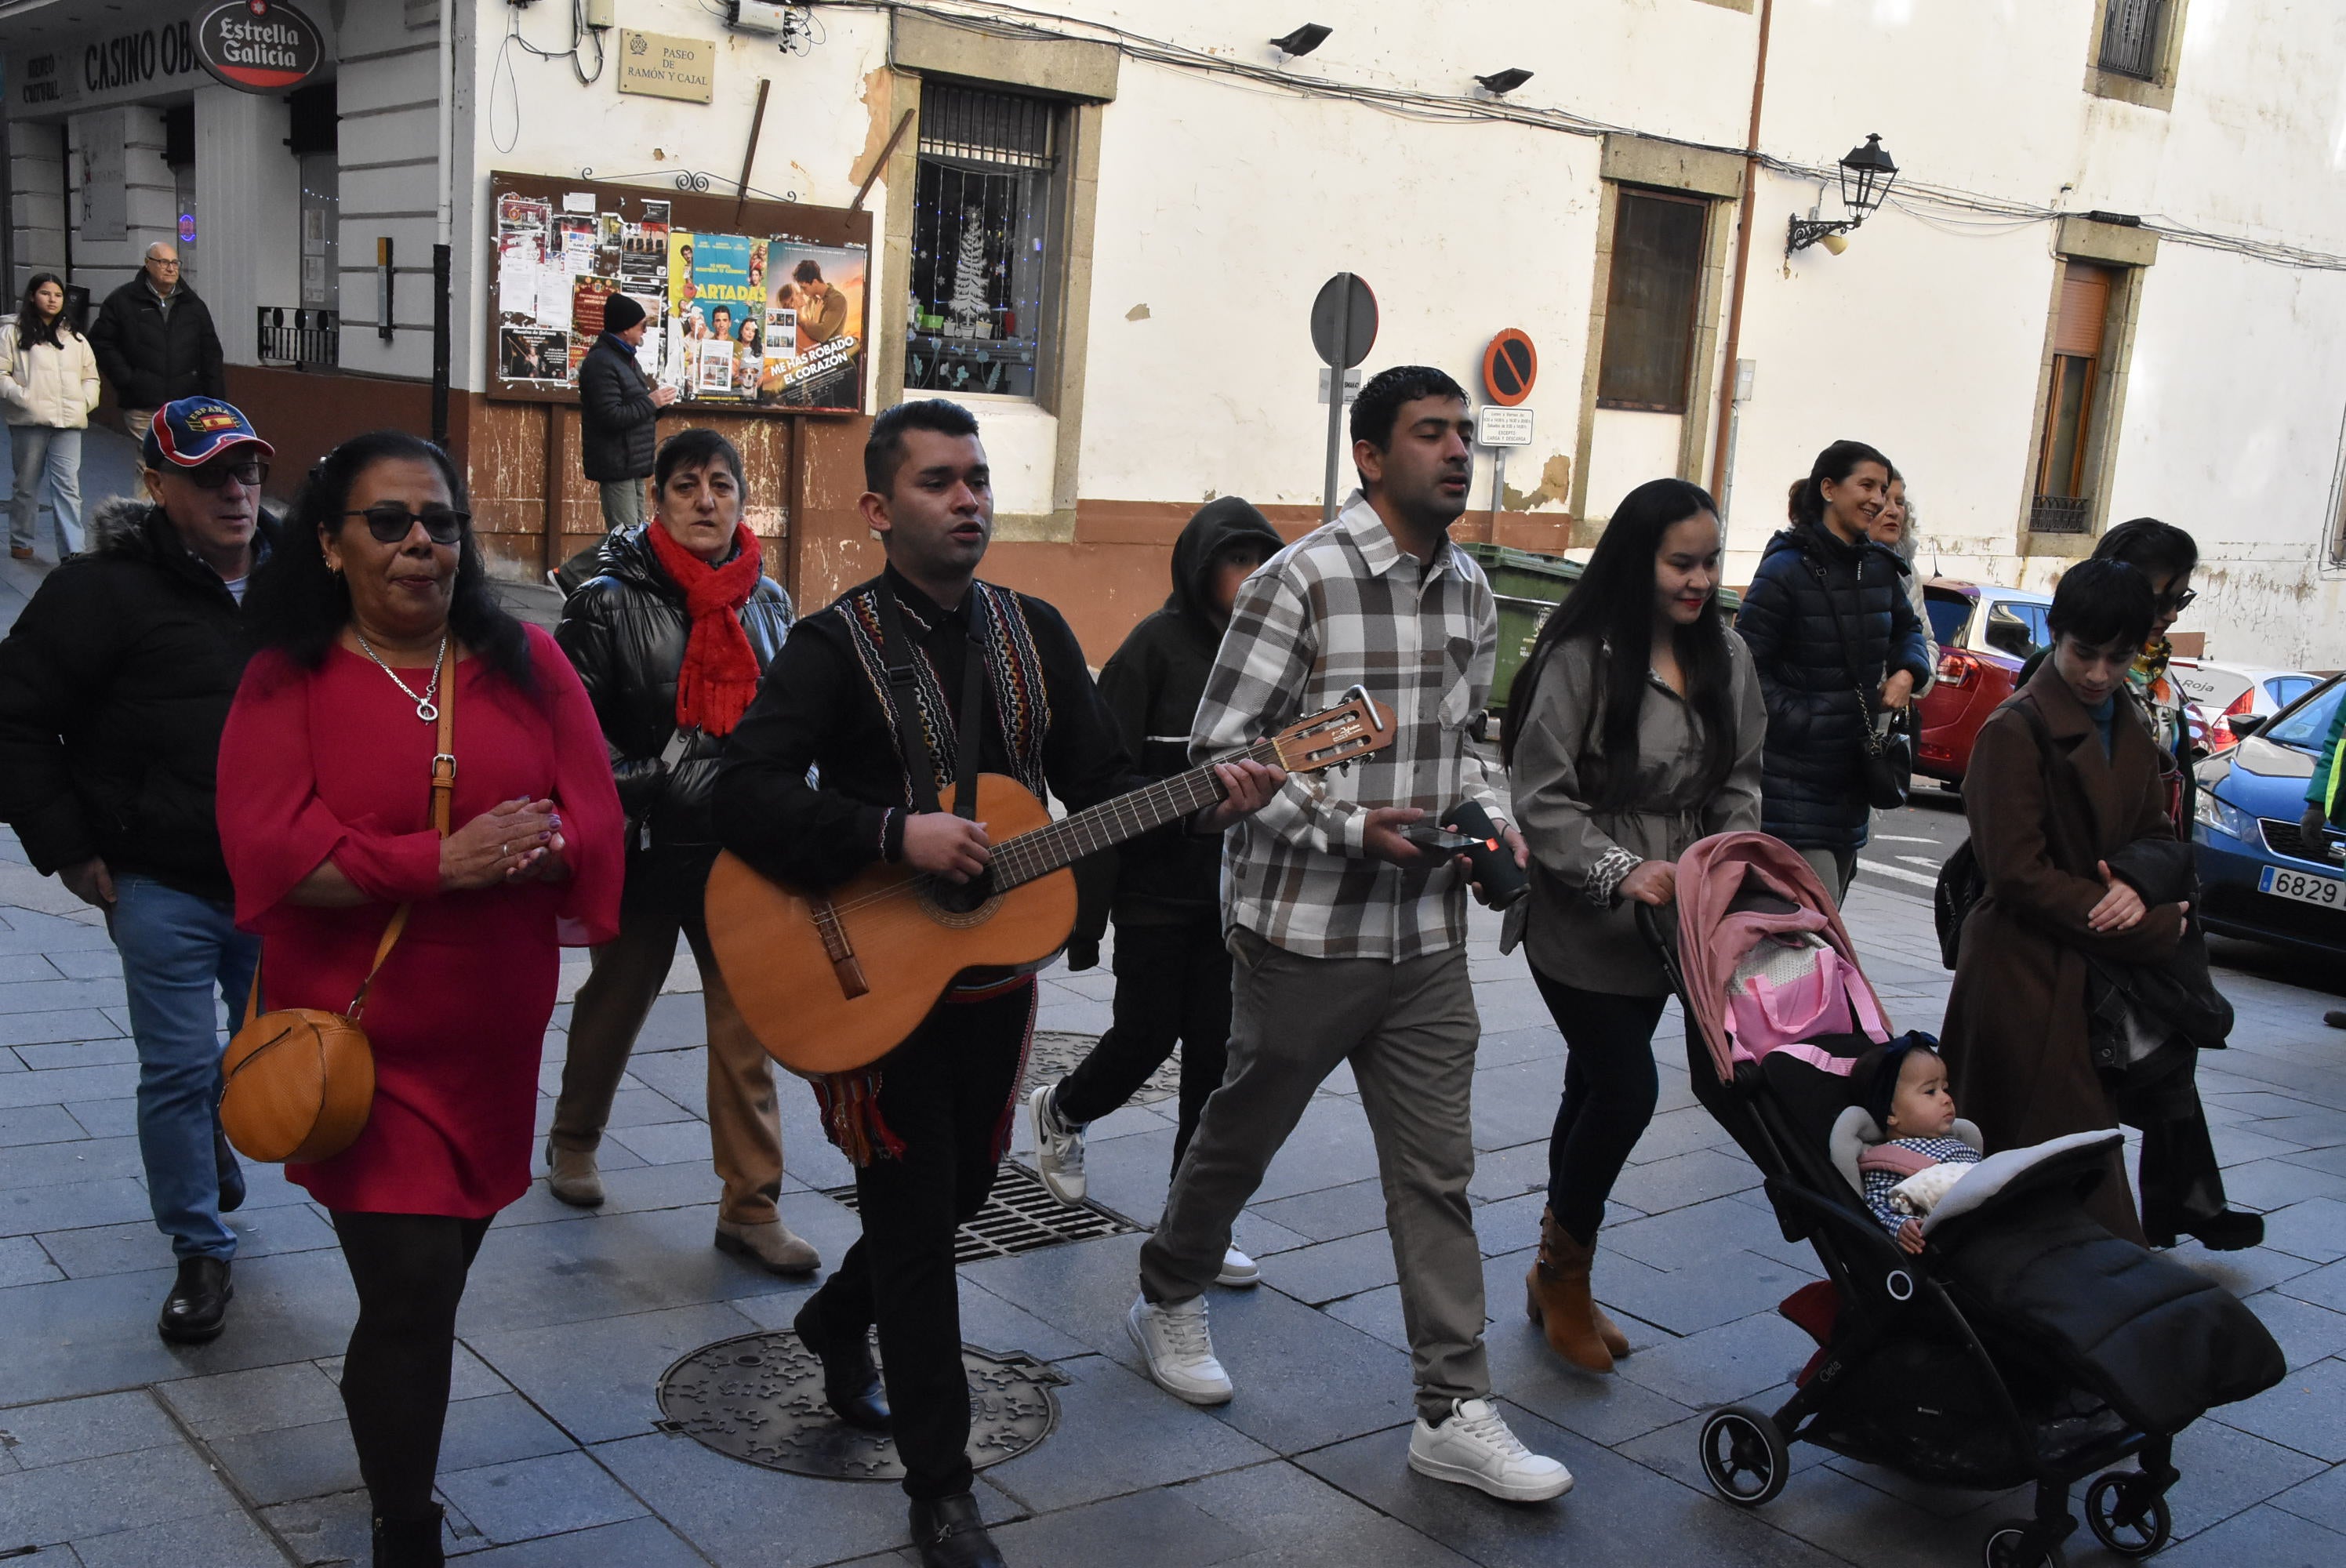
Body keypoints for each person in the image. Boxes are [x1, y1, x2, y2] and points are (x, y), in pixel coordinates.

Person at [714, 398, 1281, 1568]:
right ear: (878, 508)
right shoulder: (833, 646)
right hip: (870, 992)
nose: (967, 498)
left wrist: (1208, 800)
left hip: (985, 986)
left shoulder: (1032, 632)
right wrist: (889, 834)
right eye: (938, 482)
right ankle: (941, 1486)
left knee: (966, 1196)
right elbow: (738, 790)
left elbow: (1106, 781)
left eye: (977, 478)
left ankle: (834, 1317)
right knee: (918, 1227)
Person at [1127, 365, 1572, 1505]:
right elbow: (1218, 755)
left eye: (1466, 434)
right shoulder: (1301, 581)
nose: (1459, 451)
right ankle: (1168, 1288)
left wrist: (1491, 836)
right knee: (1241, 1134)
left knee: (1438, 1177)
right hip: (1305, 932)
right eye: (1432, 433)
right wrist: (1345, 826)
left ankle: (1452, 1409)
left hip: (1425, 940)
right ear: (1372, 455)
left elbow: (1465, 747)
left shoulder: (1473, 591)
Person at [220, 430, 622, 1568]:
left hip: (489, 1051)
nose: (418, 545)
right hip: (356, 1049)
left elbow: (596, 817)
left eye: (439, 522)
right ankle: (408, 1525)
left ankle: (400, 1478)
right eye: (387, 523)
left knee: (435, 1287)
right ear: (333, 546)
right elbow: (272, 851)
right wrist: (437, 864)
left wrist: (544, 844)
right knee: (408, 1293)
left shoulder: (529, 664)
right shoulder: (284, 676)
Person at [0, 397, 275, 1345]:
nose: (235, 490)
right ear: (157, 487)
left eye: (246, 470)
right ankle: (200, 1246)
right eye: (208, 475)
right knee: (177, 1065)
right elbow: (16, 716)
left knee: (261, 1053)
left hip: (280, 881)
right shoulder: (101, 590)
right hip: (155, 876)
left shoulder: (305, 587)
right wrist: (70, 848)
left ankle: (211, 1140)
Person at [1504, 477, 1765, 1373]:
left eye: (1709, 562)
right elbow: (1540, 797)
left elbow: (1740, 778)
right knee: (1625, 1090)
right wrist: (1619, 871)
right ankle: (1565, 1275)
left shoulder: (1726, 654)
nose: (1698, 581)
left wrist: (1721, 865)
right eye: (1679, 563)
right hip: (1582, 916)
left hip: (1677, 918)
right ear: (1637, 560)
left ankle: (1550, 1270)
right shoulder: (1583, 654)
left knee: (1590, 1086)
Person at [548, 429, 818, 1274]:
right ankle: (573, 1139)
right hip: (644, 843)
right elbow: (568, 740)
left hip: (739, 854)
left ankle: (750, 1204)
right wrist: (661, 786)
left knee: (746, 1027)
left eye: (722, 485)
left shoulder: (769, 600)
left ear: (742, 500)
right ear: (658, 498)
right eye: (688, 486)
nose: (707, 501)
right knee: (617, 1000)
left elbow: (796, 724)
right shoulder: (604, 599)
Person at [1028, 497, 1285, 1292]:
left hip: (1234, 898)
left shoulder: (1279, 658)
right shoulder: (1153, 647)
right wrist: (1090, 912)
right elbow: (1102, 783)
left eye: (1259, 563)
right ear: (1201, 568)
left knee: (1215, 1059)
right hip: (1151, 890)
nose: (1246, 579)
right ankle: (1062, 1109)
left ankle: (1195, 1225)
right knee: (1144, 1035)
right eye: (1233, 562)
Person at [1939, 561, 2192, 1246]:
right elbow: (2017, 872)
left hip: (2087, 978)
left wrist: (2141, 892)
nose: (2099, 674)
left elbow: (2155, 834)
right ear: (2056, 633)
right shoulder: (2014, 728)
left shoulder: (2131, 723)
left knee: (2060, 1171)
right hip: (2020, 973)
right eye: (2085, 652)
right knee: (2043, 1166)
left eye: (2119, 657)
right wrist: (2143, 922)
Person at [1734, 440, 1930, 900]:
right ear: (1828, 488)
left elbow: (1910, 631)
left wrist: (1907, 672)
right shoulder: (1784, 569)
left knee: (1827, 923)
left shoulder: (1880, 568)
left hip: (1851, 782)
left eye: (1882, 488)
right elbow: (1745, 669)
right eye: (1866, 485)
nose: (1878, 499)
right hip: (1791, 783)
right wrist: (1807, 719)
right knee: (1811, 927)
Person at [3, 271, 100, 560]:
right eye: (46, 293)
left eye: (58, 295)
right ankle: (21, 539)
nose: (53, 299)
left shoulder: (74, 337)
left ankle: (73, 549)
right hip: (29, 420)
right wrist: (21, 397)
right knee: (26, 485)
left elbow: (90, 376)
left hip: (69, 421)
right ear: (33, 296)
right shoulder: (12, 332)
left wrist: (85, 402)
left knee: (69, 487)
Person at [89, 242, 224, 442]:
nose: (171, 268)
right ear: (147, 264)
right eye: (163, 262)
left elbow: (211, 353)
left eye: (175, 263)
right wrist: (129, 379)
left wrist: (217, 403)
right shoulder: (123, 300)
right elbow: (101, 343)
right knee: (150, 463)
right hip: (143, 404)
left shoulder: (193, 305)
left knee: (182, 464)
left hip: (186, 405)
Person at [1854, 1041, 1978, 1253]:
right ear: (1891, 1114)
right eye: (1930, 1091)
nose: (1947, 1099)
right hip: (1961, 1236)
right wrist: (1900, 1226)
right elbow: (1877, 1206)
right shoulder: (1889, 1159)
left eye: (1945, 1089)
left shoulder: (1958, 1142)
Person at [577, 292, 679, 537]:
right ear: (625, 328)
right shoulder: (602, 362)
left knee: (633, 536)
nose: (645, 332)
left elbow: (636, 411)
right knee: (626, 538)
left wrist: (659, 404)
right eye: (642, 326)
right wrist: (651, 402)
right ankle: (566, 576)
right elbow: (611, 416)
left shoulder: (627, 360)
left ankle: (565, 576)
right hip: (616, 462)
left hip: (633, 462)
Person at [1867, 469, 1935, 695]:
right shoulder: (1825, 565)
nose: (1894, 511)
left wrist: (1910, 675)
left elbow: (1927, 643)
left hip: (1887, 722)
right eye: (1884, 501)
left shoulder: (1906, 570)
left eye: (1900, 502)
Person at [794, 258, 848, 343]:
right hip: (816, 355)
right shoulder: (810, 303)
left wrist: (799, 318)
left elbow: (822, 334)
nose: (802, 292)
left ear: (815, 282)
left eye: (804, 288)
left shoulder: (837, 299)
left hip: (835, 356)